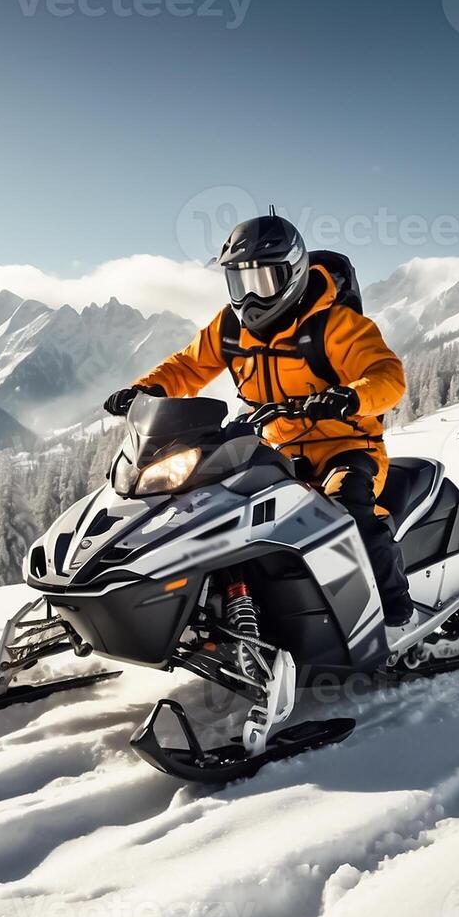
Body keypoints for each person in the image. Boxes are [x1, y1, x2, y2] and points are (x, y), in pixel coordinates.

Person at [104, 214, 414, 626]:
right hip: (274, 448)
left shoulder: (336, 326)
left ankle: (392, 609)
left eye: (263, 283)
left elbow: (388, 376)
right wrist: (145, 391)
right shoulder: (230, 328)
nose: (250, 299)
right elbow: (187, 367)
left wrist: (348, 397)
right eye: (240, 283)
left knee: (345, 509)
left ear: (294, 273)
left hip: (345, 448)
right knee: (216, 507)